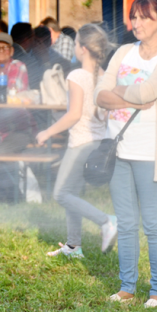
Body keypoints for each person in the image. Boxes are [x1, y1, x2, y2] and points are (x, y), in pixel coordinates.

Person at [95, 0, 157, 308]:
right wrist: (127, 97)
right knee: (126, 222)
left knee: (154, 224)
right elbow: (99, 95)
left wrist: (116, 93)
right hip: (117, 150)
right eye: (134, 17)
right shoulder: (122, 52)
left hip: (150, 153)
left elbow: (149, 92)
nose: (137, 23)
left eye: (145, 17)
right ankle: (127, 288)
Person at [35, 24, 117, 258]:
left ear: (82, 48)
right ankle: (73, 246)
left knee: (61, 194)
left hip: (80, 143)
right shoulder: (104, 77)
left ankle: (106, 221)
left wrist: (47, 132)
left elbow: (74, 114)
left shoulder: (77, 75)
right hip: (98, 144)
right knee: (72, 194)